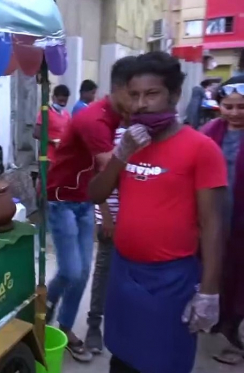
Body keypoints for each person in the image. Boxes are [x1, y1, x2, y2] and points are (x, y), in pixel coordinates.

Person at [89, 51, 227, 373]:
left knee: (162, 362)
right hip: (124, 273)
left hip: (171, 281)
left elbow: (213, 225)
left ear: (175, 95)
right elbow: (95, 193)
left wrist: (209, 291)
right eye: (134, 95)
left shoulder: (201, 149)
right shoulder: (129, 142)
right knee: (121, 358)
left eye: (152, 94)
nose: (140, 104)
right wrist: (121, 155)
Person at [43, 56, 136, 362]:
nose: (138, 104)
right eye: (133, 95)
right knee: (70, 270)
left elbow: (101, 179)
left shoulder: (117, 118)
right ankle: (43, 310)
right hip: (63, 201)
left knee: (82, 273)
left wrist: (103, 213)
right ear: (118, 88)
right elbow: (110, 170)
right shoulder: (95, 120)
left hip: (85, 202)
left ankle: (66, 329)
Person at [201, 75, 244, 366]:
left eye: (241, 107)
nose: (234, 112)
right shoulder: (209, 132)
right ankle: (220, 319)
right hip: (216, 216)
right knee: (217, 267)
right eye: (228, 106)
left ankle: (233, 326)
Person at [84, 123, 126, 354]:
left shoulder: (146, 130)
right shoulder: (108, 132)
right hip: (109, 217)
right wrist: (106, 216)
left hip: (135, 215)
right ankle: (94, 325)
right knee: (103, 270)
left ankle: (122, 326)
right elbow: (97, 174)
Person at [33, 84, 71, 164]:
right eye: (60, 101)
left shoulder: (66, 115)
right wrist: (52, 141)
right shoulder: (45, 113)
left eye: (65, 101)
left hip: (61, 156)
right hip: (48, 156)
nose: (62, 104)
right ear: (53, 98)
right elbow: (36, 133)